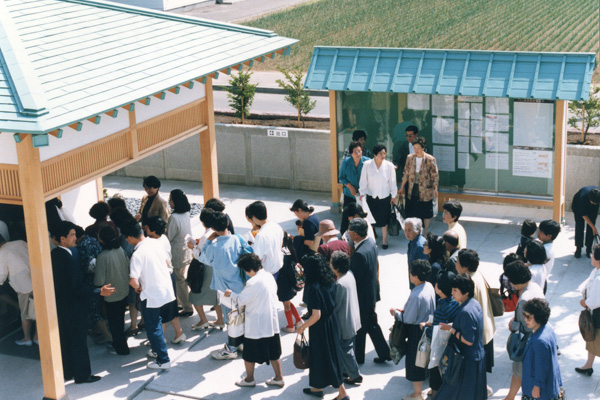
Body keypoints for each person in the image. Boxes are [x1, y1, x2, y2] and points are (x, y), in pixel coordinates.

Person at [51, 221, 112, 382]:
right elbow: (75, 288)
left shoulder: (61, 254)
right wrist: (99, 291)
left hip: (65, 306)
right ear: (62, 239)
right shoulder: (64, 257)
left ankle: (69, 372)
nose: (75, 237)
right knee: (78, 341)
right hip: (73, 306)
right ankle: (82, 375)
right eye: (71, 235)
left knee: (67, 339)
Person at [223, 254, 284, 388]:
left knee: (249, 355)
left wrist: (230, 294)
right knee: (274, 353)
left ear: (249, 269)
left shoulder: (253, 282)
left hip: (256, 325)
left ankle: (249, 380)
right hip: (271, 322)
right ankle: (279, 378)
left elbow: (241, 300)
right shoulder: (269, 276)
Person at [123, 219, 174, 370]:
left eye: (127, 238)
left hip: (151, 294)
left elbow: (133, 281)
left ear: (130, 237)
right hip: (166, 289)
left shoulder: (137, 254)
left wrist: (138, 289)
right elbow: (166, 262)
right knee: (157, 323)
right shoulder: (156, 242)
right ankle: (158, 351)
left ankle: (163, 360)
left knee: (154, 327)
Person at [296, 254, 348, 400]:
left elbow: (316, 315)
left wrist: (302, 327)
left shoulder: (313, 287)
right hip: (331, 321)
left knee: (326, 357)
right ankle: (317, 387)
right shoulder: (329, 280)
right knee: (326, 356)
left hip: (320, 327)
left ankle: (342, 393)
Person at [199, 211, 248, 360]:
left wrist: (208, 241)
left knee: (231, 320)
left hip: (225, 290)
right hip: (240, 285)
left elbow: (203, 258)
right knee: (242, 317)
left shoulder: (214, 247)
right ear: (227, 223)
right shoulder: (238, 239)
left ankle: (231, 348)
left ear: (213, 229)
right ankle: (242, 343)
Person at [435, 274, 487, 400]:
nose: (452, 293)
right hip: (477, 357)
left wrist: (451, 330)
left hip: (467, 360)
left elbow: (468, 340)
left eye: (455, 290)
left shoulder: (465, 312)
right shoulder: (474, 304)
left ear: (466, 292)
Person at [347, 218, 391, 364]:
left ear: (356, 235)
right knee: (371, 324)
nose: (348, 233)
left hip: (362, 296)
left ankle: (358, 358)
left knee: (360, 328)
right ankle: (385, 353)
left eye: (350, 231)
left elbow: (354, 279)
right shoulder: (371, 243)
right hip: (371, 292)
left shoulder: (359, 254)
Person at [391, 260, 435, 400]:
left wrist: (395, 313)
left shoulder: (416, 295)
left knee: (415, 361)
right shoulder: (428, 286)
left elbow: (408, 318)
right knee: (425, 358)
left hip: (416, 330)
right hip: (428, 325)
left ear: (415, 276)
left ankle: (417, 393)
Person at [502, 260, 545, 400]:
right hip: (537, 336)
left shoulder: (524, 299)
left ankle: (510, 397)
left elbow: (526, 326)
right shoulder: (535, 287)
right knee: (518, 371)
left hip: (526, 341)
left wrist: (513, 325)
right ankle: (510, 396)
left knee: (519, 370)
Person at [455, 249, 496, 391]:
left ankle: (482, 389)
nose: (456, 265)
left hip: (478, 332)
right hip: (487, 326)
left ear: (465, 267)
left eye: (458, 263)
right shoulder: (477, 275)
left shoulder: (468, 282)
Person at [145, 216, 186, 344]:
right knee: (171, 308)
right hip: (169, 275)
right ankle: (179, 333)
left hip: (161, 277)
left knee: (161, 311)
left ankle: (160, 341)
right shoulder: (164, 238)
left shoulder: (154, 243)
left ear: (152, 230)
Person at [420, 270, 460, 398]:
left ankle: (436, 395)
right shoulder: (455, 302)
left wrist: (425, 327)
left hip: (439, 347)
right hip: (451, 344)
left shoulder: (442, 307)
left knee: (435, 376)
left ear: (440, 289)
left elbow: (434, 331)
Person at [94, 225, 131, 355]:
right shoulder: (120, 249)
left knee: (114, 324)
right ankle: (121, 345)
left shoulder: (102, 256)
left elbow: (98, 281)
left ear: (102, 239)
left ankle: (120, 348)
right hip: (123, 289)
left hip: (111, 294)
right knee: (120, 321)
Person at [188, 208, 224, 330]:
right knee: (215, 295)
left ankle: (203, 320)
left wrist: (192, 247)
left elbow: (200, 255)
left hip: (205, 268)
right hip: (216, 267)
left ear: (203, 222)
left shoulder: (206, 236)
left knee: (195, 294)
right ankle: (220, 320)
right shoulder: (217, 233)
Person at [330, 251, 362, 386]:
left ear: (336, 268)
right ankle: (346, 370)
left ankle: (355, 375)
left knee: (346, 349)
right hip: (353, 318)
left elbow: (335, 306)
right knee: (348, 348)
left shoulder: (339, 284)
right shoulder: (349, 275)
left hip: (344, 322)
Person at [521, 298, 563, 400]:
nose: (525, 320)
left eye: (529, 317)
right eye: (524, 316)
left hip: (539, 391)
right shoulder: (548, 329)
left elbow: (541, 367)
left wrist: (537, 386)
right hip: (551, 383)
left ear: (538, 317)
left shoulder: (539, 341)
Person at [0, 235, 37, 346]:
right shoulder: (20, 242)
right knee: (39, 312)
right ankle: (38, 336)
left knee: (25, 313)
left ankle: (27, 338)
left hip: (24, 285)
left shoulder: (1, 253)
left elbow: (1, 275)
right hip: (37, 279)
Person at [358, 144, 397, 249]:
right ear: (375, 154)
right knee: (370, 220)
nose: (383, 155)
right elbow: (363, 180)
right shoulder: (367, 164)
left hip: (384, 196)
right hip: (371, 196)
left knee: (384, 219)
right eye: (380, 153)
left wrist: (394, 195)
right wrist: (362, 193)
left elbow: (392, 181)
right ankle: (371, 240)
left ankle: (384, 240)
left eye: (384, 153)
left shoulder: (389, 165)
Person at [398, 137, 438, 235]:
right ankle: (413, 230)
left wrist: (435, 189)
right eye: (414, 148)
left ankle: (425, 230)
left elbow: (435, 175)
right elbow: (406, 173)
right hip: (412, 187)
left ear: (423, 147)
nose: (416, 150)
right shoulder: (410, 157)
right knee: (412, 209)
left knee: (425, 210)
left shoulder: (430, 159)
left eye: (418, 148)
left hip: (425, 188)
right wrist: (402, 187)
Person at [167, 189, 194, 317]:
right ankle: (180, 302)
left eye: (170, 199)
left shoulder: (174, 217)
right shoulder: (186, 213)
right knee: (181, 278)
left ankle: (187, 306)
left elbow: (169, 236)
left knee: (179, 280)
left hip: (176, 253)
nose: (169, 202)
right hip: (185, 250)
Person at [576, 243, 600, 376]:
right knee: (592, 338)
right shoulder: (596, 271)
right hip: (596, 314)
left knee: (596, 340)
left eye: (593, 255)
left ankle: (588, 365)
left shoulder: (599, 279)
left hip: (598, 315)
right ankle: (588, 365)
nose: (591, 256)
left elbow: (596, 301)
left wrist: (585, 303)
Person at [339, 141, 370, 234]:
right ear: (351, 153)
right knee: (347, 215)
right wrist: (349, 186)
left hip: (363, 194)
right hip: (349, 194)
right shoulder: (346, 162)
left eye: (359, 151)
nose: (358, 154)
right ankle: (343, 233)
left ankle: (366, 233)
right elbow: (341, 177)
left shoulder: (367, 161)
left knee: (364, 215)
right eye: (355, 152)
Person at [571, 186, 600, 258]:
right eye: (592, 202)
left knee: (591, 227)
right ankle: (578, 249)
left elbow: (591, 223)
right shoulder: (582, 197)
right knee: (579, 226)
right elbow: (584, 216)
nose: (593, 204)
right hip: (578, 206)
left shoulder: (597, 198)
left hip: (593, 208)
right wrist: (594, 227)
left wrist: (592, 227)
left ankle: (589, 249)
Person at [405, 218, 427, 289]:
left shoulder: (420, 246)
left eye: (409, 230)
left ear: (418, 231)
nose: (406, 233)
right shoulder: (412, 242)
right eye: (405, 230)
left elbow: (423, 269)